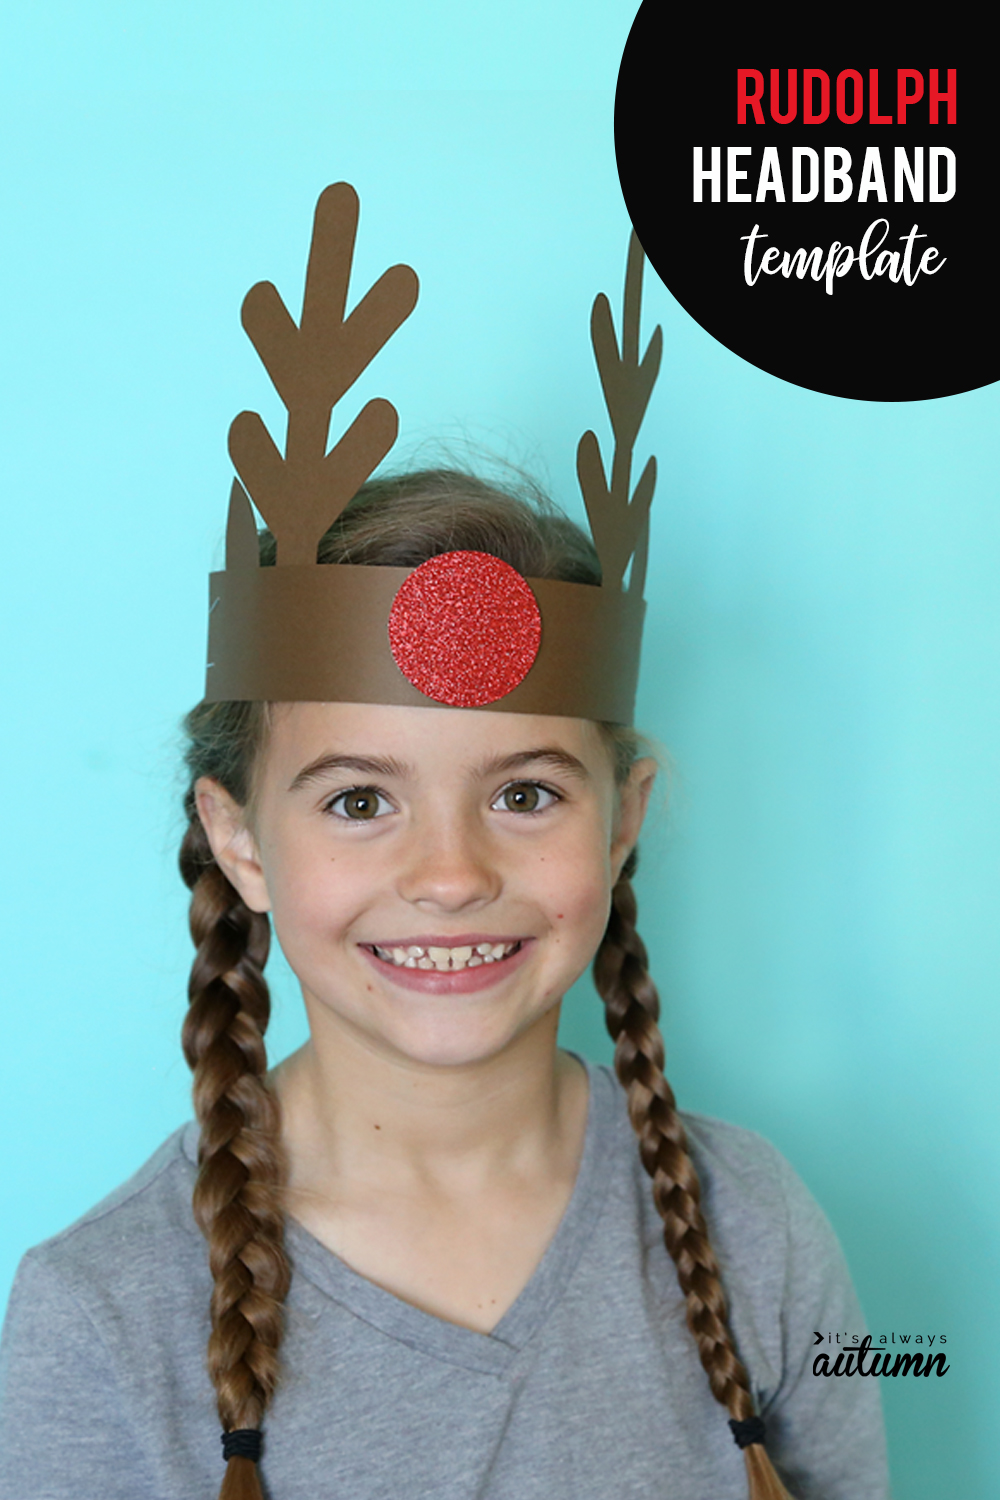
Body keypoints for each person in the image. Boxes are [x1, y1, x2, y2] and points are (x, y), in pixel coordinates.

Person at [0, 189, 889, 1500]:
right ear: (239, 842)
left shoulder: (762, 1233)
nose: (452, 873)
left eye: (524, 793)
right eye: (359, 800)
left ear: (624, 814)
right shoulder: (94, 1321)